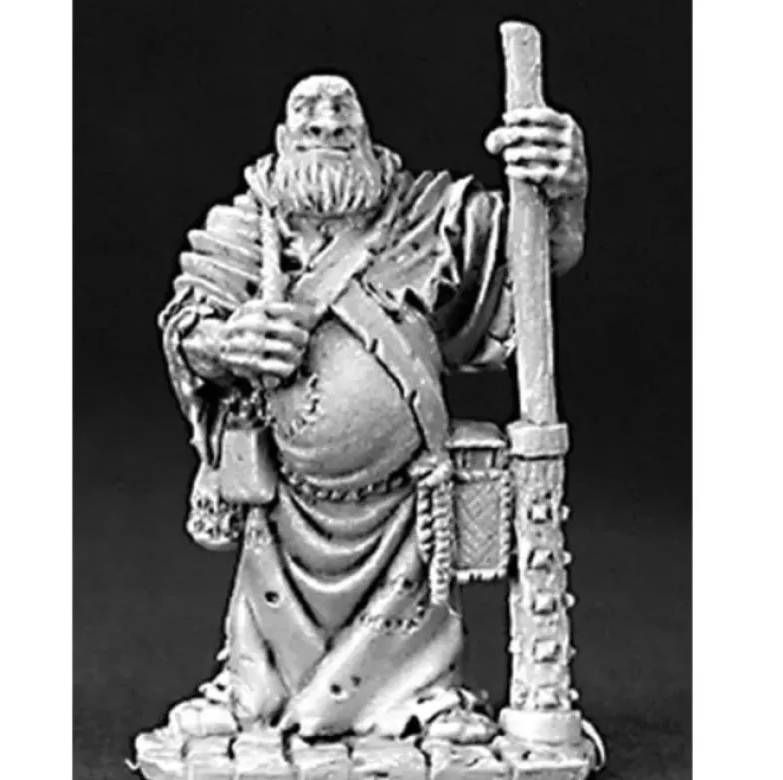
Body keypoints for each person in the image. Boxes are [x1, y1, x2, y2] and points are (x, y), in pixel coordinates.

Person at [155, 74, 588, 744]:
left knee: (413, 611)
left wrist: (563, 190)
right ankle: (249, 694)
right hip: (286, 494)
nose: (327, 125)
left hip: (407, 497)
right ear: (283, 138)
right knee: (267, 612)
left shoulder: (427, 217)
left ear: (365, 134)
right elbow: (188, 326)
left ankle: (423, 699)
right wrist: (228, 342)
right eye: (309, 115)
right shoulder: (244, 227)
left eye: (342, 114)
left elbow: (533, 255)